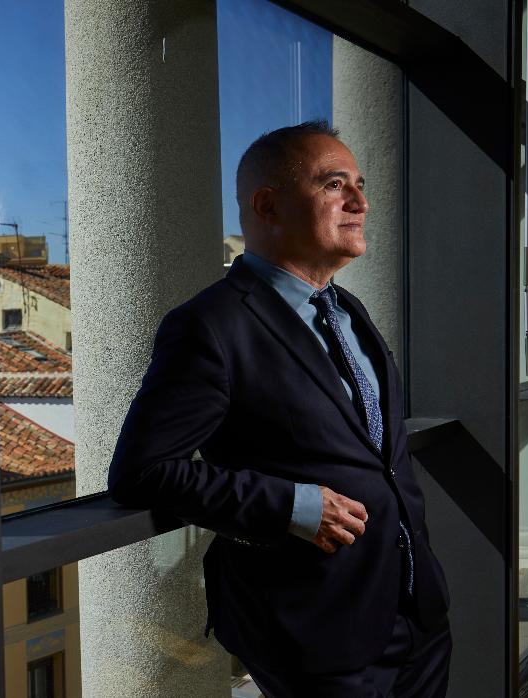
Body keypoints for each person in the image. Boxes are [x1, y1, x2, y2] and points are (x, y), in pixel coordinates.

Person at [107, 121, 451, 696]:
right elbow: (142, 471)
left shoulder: (349, 310)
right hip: (317, 633)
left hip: (417, 612)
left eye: (360, 184)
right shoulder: (211, 325)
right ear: (268, 205)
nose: (361, 202)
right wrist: (292, 504)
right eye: (335, 184)